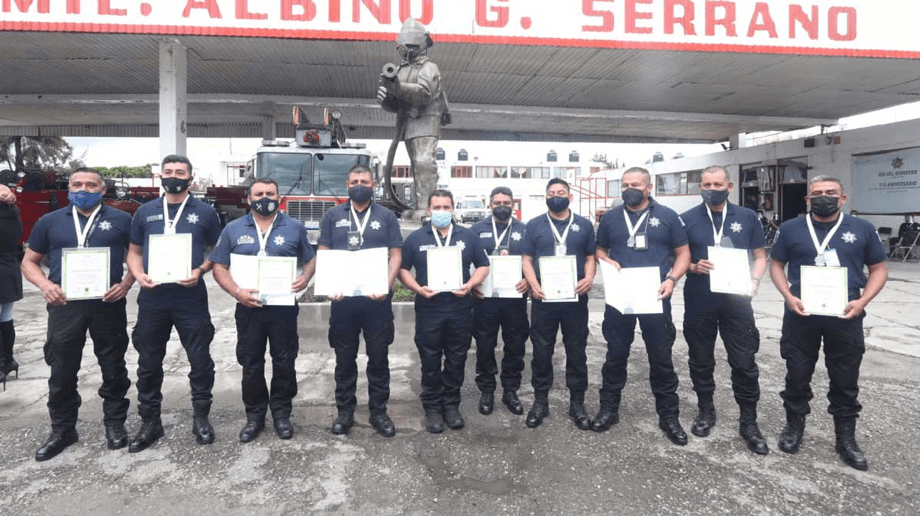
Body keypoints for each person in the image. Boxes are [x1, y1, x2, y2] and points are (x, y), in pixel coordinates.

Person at [770, 175, 887, 471]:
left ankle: (846, 438)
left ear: (843, 198)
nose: (824, 197)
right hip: (801, 311)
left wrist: (862, 302)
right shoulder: (791, 228)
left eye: (830, 193)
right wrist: (787, 295)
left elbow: (878, 268)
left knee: (845, 377)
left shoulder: (862, 229)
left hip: (845, 312)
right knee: (797, 372)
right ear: (808, 200)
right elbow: (776, 264)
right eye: (817, 194)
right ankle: (794, 427)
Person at [21, 168, 134, 460]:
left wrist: (126, 284)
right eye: (77, 184)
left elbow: (137, 256)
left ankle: (115, 424)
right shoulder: (50, 221)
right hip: (64, 305)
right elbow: (29, 262)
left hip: (107, 304)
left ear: (103, 189)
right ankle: (62, 429)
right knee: (62, 369)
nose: (83, 189)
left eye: (90, 185)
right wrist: (46, 285)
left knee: (113, 366)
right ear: (68, 188)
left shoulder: (122, 220)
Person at [126, 155, 222, 453]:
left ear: (191, 178)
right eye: (168, 171)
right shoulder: (145, 212)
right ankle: (150, 421)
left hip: (190, 297)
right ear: (160, 175)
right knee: (148, 361)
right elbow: (133, 251)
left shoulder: (206, 212)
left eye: (180, 172)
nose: (173, 176)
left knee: (200, 360)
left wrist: (200, 270)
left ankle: (201, 418)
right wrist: (138, 274)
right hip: (153, 298)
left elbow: (217, 251)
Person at [211, 178, 315, 443]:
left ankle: (281, 414)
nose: (264, 198)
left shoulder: (294, 228)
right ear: (249, 199)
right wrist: (236, 292)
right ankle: (255, 416)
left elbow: (310, 259)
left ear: (279, 198)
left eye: (270, 193)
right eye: (259, 193)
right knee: (251, 363)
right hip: (248, 308)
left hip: (283, 308)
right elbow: (219, 267)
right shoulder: (233, 229)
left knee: (284, 361)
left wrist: (305, 277)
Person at [594, 167, 691, 445]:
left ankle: (669, 416)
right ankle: (609, 409)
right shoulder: (611, 218)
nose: (628, 189)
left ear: (649, 187)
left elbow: (683, 253)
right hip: (620, 296)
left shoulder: (668, 216)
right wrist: (606, 260)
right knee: (615, 354)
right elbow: (600, 249)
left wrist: (673, 278)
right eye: (624, 185)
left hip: (656, 295)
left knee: (661, 357)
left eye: (635, 184)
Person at [679, 166, 769, 455]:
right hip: (699, 298)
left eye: (717, 184)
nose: (712, 188)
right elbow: (676, 257)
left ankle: (749, 421)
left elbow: (760, 256)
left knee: (744, 361)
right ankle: (706, 411)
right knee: (701, 358)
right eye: (706, 184)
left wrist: (755, 280)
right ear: (700, 187)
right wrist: (692, 267)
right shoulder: (687, 219)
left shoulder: (747, 217)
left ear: (730, 186)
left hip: (737, 301)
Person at [317, 165, 403, 437]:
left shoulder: (386, 216)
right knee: (344, 359)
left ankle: (379, 412)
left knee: (378, 359)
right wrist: (330, 285)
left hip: (376, 301)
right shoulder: (332, 215)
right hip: (343, 302)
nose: (359, 185)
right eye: (354, 181)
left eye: (364, 181)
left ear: (374, 184)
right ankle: (345, 412)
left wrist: (386, 286)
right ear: (346, 184)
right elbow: (324, 250)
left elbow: (396, 254)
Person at [399, 189, 489, 433]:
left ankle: (451, 405)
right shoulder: (416, 238)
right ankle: (432, 408)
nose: (441, 212)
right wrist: (417, 288)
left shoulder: (468, 236)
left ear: (453, 209)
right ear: (429, 210)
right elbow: (403, 269)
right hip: (429, 309)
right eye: (436, 208)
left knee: (456, 359)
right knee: (429, 360)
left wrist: (471, 285)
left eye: (446, 207)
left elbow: (483, 265)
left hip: (460, 308)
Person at [521, 178, 596, 430]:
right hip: (544, 299)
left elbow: (590, 257)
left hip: (575, 298)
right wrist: (533, 284)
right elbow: (527, 259)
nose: (556, 196)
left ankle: (577, 404)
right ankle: (540, 402)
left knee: (577, 351)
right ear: (545, 197)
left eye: (561, 192)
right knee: (542, 352)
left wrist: (589, 277)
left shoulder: (584, 225)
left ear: (570, 197)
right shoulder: (533, 225)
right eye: (551, 193)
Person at [376, 18, 449, 218]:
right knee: (416, 165)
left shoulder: (429, 67)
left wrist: (398, 88)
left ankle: (427, 209)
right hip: (408, 123)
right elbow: (398, 103)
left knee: (424, 162)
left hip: (427, 120)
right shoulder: (401, 69)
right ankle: (420, 206)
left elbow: (425, 92)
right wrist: (386, 100)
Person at [469, 186, 529, 416]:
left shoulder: (525, 230)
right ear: (489, 204)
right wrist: (473, 284)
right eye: (497, 202)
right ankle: (487, 389)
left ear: (513, 204)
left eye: (506, 202)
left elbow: (532, 260)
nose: (501, 206)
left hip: (515, 300)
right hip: (485, 301)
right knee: (485, 346)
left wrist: (529, 281)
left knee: (515, 346)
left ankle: (510, 390)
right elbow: (468, 262)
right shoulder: (475, 230)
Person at [0, 184, 22, 389]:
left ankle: (3, 363)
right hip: (8, 267)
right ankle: (7, 361)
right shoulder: (12, 213)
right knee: (5, 316)